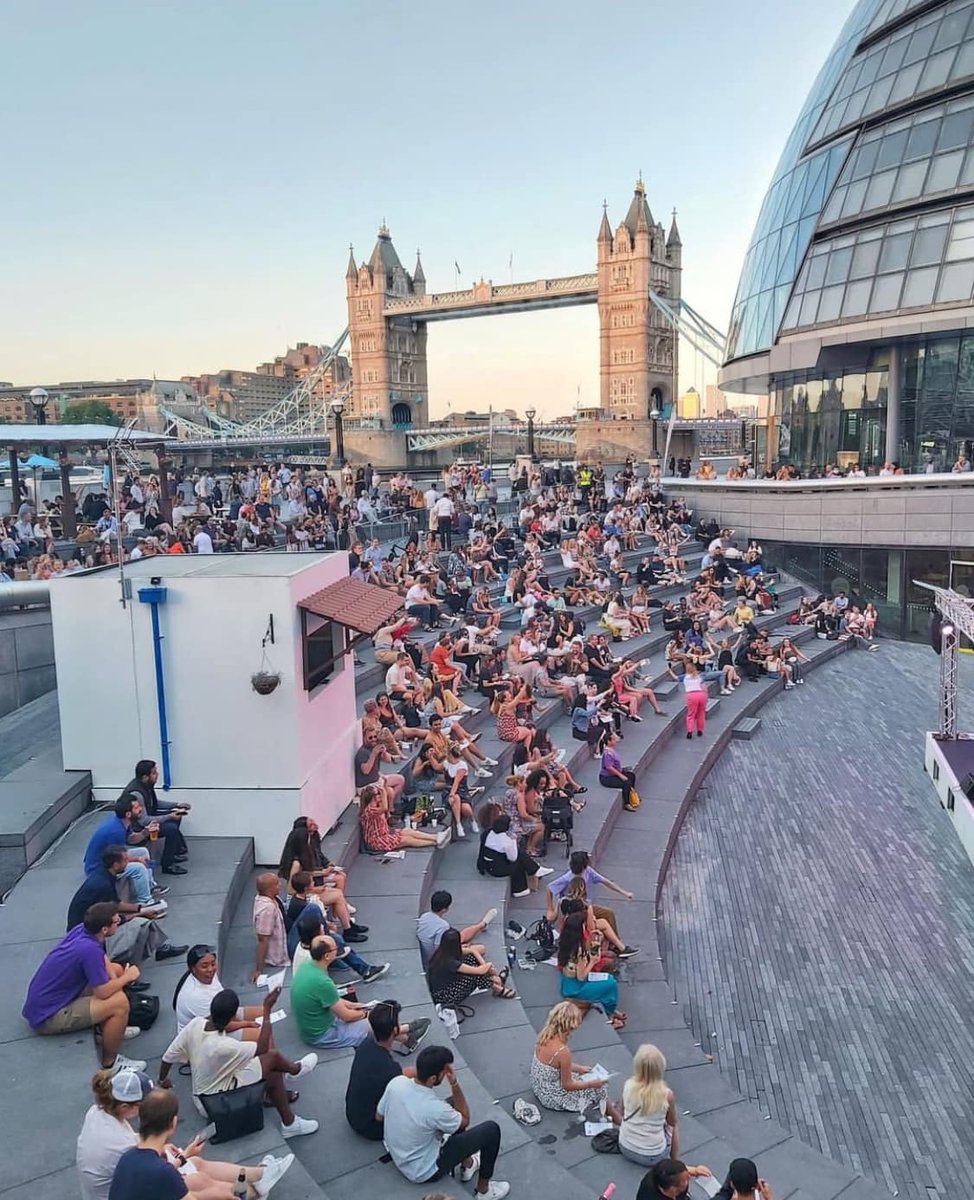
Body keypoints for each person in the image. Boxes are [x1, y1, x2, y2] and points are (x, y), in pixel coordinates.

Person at [78, 1069, 292, 1200]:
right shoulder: (121, 1146)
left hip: (129, 1187)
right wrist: (183, 1159)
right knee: (201, 1181)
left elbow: (144, 1163)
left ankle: (259, 1176)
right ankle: (254, 1192)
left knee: (195, 1162)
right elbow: (159, 1175)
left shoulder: (98, 1112)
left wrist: (183, 1156)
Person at [159, 987, 319, 1140]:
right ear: (230, 1016)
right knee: (273, 1060)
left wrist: (162, 1080)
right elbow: (262, 1048)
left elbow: (167, 1057)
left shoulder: (196, 1024)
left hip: (202, 1094)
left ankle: (289, 1110)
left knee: (274, 1067)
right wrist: (267, 1011)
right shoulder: (223, 1046)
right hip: (217, 1102)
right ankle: (294, 1074)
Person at [22, 901, 146, 1074]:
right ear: (105, 929)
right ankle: (111, 1064)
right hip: (49, 1016)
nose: (119, 922)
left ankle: (112, 1031)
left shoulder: (83, 930)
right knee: (119, 1003)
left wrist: (116, 976)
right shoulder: (88, 950)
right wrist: (127, 977)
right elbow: (102, 993)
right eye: (117, 922)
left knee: (116, 970)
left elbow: (103, 959)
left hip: (49, 1000)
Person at [378, 1043, 510, 1199]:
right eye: (444, 1071)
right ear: (433, 1078)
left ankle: (468, 1164)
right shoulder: (434, 1109)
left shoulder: (397, 1083)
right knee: (491, 1130)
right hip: (422, 1171)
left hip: (398, 1153)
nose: (447, 1074)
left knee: (452, 1105)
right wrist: (454, 1083)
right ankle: (484, 1191)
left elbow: (379, 1116)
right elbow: (465, 1119)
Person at [66, 845, 185, 963]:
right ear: (115, 864)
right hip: (88, 933)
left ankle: (161, 948)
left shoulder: (103, 876)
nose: (128, 863)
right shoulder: (104, 886)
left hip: (88, 926)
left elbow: (116, 904)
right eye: (125, 860)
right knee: (143, 925)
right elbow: (114, 919)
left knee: (142, 916)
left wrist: (141, 908)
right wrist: (140, 914)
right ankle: (132, 972)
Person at [530, 1001, 621, 1120]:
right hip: (552, 1096)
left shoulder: (544, 1034)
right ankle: (615, 1116)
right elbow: (567, 1085)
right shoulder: (562, 1051)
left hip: (540, 1085)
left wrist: (579, 1068)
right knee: (599, 1087)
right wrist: (591, 1084)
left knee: (581, 1074)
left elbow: (553, 1064)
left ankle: (608, 1108)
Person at [344, 1000, 410, 1140]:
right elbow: (406, 1076)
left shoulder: (365, 1045)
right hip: (371, 1127)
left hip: (353, 1114)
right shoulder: (389, 1068)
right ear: (395, 1030)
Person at [82, 795, 160, 907]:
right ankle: (145, 901)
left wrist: (146, 832)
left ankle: (150, 886)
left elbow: (131, 838)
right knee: (139, 868)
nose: (141, 809)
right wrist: (138, 860)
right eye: (137, 807)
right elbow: (118, 859)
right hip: (99, 868)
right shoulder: (116, 831)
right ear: (128, 814)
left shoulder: (122, 822)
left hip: (111, 858)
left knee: (143, 851)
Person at [173, 945, 264, 1037]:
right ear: (193, 969)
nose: (210, 969)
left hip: (219, 1017)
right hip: (202, 1035)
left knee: (265, 1013)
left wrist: (240, 1020)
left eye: (213, 964)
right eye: (204, 966)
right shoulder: (195, 996)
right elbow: (220, 1025)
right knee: (260, 1035)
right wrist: (247, 1024)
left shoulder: (208, 974)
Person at [120, 759, 189, 875]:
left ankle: (173, 852)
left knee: (177, 815)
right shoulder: (137, 793)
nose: (157, 775)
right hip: (139, 826)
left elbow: (154, 803)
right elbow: (143, 820)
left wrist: (176, 805)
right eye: (154, 773)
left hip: (148, 816)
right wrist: (169, 816)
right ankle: (168, 865)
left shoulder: (146, 785)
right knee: (171, 828)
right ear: (145, 777)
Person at [557, 910, 625, 1030]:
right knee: (610, 983)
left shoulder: (568, 943)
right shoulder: (578, 951)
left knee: (607, 979)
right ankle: (609, 1015)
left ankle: (610, 1009)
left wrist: (595, 944)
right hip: (576, 988)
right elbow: (581, 976)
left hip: (568, 984)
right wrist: (593, 961)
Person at [619, 1044, 679, 1166]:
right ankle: (675, 1162)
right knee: (674, 1126)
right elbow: (672, 1122)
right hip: (653, 1155)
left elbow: (621, 1111)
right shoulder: (667, 1095)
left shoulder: (628, 1085)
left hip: (625, 1147)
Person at [427, 928, 516, 1005]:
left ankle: (496, 981)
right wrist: (489, 966)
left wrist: (485, 965)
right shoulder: (450, 962)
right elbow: (479, 971)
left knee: (472, 959)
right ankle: (496, 987)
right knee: (474, 974)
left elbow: (472, 951)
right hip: (445, 996)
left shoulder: (443, 951)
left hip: (447, 983)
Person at [359, 783, 449, 851]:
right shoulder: (369, 810)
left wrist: (382, 790)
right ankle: (435, 842)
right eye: (378, 794)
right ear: (372, 797)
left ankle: (436, 837)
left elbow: (384, 808)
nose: (380, 795)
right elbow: (385, 808)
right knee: (406, 840)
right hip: (377, 840)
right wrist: (382, 791)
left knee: (407, 831)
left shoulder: (377, 805)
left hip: (385, 834)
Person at [479, 813, 551, 897]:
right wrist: (514, 841)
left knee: (520, 856)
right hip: (497, 870)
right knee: (519, 860)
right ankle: (520, 888)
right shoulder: (507, 841)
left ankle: (535, 870)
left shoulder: (488, 832)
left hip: (488, 865)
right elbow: (513, 858)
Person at [416, 890, 495, 966]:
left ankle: (482, 924)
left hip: (431, 952)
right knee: (481, 949)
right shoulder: (443, 926)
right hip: (436, 960)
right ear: (444, 909)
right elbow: (439, 951)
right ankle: (481, 925)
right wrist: (459, 948)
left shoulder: (424, 916)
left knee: (460, 936)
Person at [251, 873, 289, 983]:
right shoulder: (267, 909)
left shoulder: (271, 899)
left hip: (286, 931)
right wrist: (259, 970)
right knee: (312, 910)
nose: (280, 885)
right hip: (283, 949)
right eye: (276, 884)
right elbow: (262, 939)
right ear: (269, 889)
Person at [635, 1158, 714, 1200]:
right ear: (672, 1189)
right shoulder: (649, 1195)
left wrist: (695, 1170)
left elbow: (679, 1170)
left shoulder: (662, 1172)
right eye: (685, 1180)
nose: (689, 1178)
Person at [598, 731, 638, 810]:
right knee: (626, 782)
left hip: (614, 774)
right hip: (607, 778)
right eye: (613, 739)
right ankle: (626, 803)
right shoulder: (607, 753)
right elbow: (609, 768)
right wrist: (621, 776)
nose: (615, 740)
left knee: (631, 776)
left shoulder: (611, 750)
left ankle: (632, 795)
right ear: (609, 741)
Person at [683, 660, 707, 739]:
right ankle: (700, 730)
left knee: (691, 714)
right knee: (701, 713)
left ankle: (689, 731)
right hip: (701, 695)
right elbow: (704, 688)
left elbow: (675, 677)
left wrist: (669, 671)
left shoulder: (685, 677)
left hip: (691, 695)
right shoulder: (699, 677)